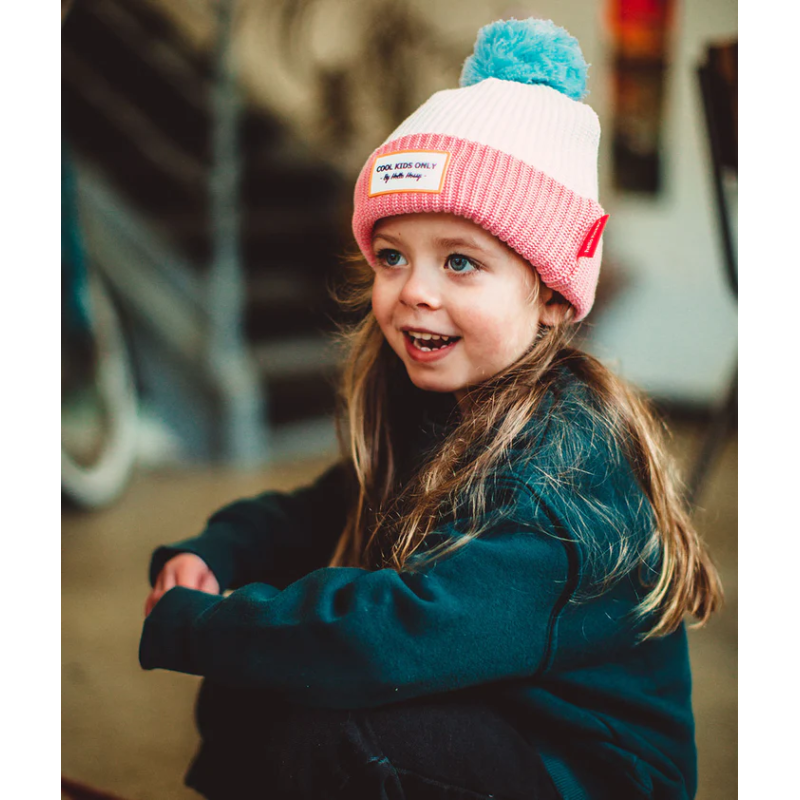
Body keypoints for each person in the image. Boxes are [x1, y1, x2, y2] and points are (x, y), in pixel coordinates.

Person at [140, 18, 722, 800]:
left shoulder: (567, 475)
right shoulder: (435, 403)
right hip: (502, 720)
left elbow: (397, 635)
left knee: (338, 718)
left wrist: (204, 625)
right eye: (392, 255)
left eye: (460, 261)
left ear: (551, 296)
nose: (416, 289)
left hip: (584, 772)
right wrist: (220, 553)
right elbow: (326, 509)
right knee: (264, 677)